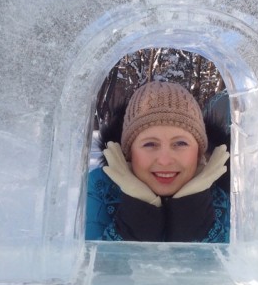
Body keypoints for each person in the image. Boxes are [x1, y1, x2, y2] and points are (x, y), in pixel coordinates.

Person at [86, 80, 230, 242]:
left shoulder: (224, 191)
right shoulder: (100, 188)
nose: (164, 160)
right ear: (128, 153)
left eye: (180, 143)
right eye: (150, 144)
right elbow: (94, 263)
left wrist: (193, 205)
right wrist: (138, 207)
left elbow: (224, 264)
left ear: (199, 152)